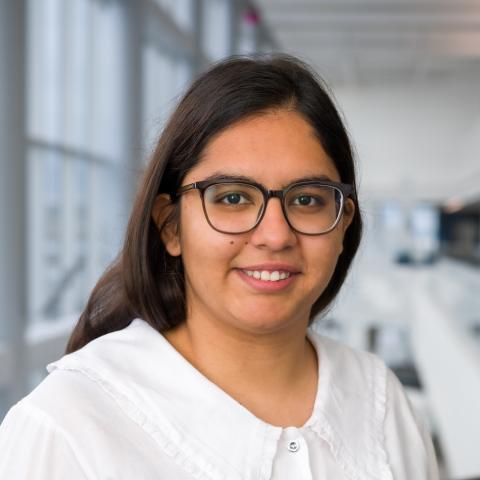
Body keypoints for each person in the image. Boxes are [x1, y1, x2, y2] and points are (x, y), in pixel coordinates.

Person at [0, 54, 439, 479]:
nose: (275, 236)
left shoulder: (380, 402)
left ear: (343, 223)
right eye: (232, 198)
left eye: (306, 199)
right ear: (171, 226)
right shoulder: (68, 427)